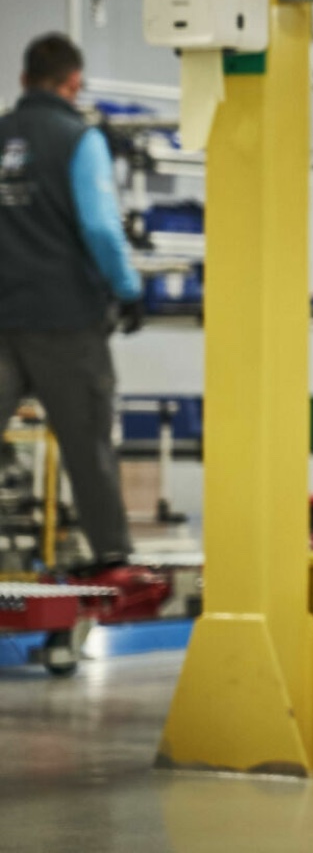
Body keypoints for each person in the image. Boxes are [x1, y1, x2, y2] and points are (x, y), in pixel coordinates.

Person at [0, 34, 143, 573]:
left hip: (2, 320)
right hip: (65, 321)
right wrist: (127, 290)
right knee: (88, 449)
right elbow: (101, 228)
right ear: (73, 82)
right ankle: (111, 557)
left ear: (23, 80)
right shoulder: (78, 139)